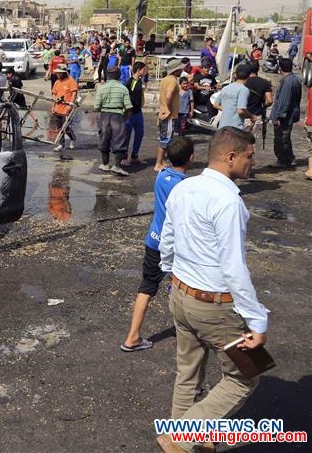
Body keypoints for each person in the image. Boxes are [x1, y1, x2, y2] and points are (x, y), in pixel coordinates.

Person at [156, 127, 268, 453]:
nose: (254, 163)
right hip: (215, 307)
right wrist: (257, 320)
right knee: (246, 375)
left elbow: (167, 240)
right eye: (250, 156)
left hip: (181, 294)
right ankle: (182, 438)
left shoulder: (184, 187)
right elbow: (234, 268)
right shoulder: (229, 202)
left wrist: (173, 276)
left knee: (188, 373)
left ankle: (183, 444)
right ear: (230, 157)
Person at [121, 136, 194, 352]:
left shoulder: (161, 175)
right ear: (191, 158)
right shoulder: (186, 186)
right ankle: (183, 326)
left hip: (154, 240)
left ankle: (132, 336)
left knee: (148, 287)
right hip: (176, 245)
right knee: (181, 286)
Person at [95, 66, 132, 175]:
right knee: (119, 140)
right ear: (119, 75)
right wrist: (125, 117)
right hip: (118, 116)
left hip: (104, 117)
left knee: (104, 140)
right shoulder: (123, 88)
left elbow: (97, 106)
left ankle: (105, 164)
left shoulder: (102, 88)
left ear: (107, 75)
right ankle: (117, 166)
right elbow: (129, 107)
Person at [268, 58, 302, 169]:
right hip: (291, 113)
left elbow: (284, 101)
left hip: (285, 116)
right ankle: (290, 158)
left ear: (281, 69)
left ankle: (283, 160)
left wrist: (278, 116)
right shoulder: (296, 80)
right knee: (286, 137)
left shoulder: (287, 82)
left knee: (281, 138)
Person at [155, 59, 183, 172]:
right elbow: (168, 96)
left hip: (164, 113)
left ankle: (161, 161)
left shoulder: (164, 79)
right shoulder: (172, 81)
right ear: (176, 70)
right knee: (166, 140)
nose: (182, 70)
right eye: (180, 68)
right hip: (169, 115)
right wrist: (169, 109)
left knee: (165, 138)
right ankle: (158, 164)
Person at [215, 65, 255, 130]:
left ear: (235, 75)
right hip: (234, 128)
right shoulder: (243, 90)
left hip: (222, 127)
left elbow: (216, 105)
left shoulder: (226, 88)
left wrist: (228, 109)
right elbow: (241, 111)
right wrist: (251, 116)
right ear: (249, 76)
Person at [122, 61, 147, 166]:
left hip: (138, 113)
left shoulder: (140, 81)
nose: (146, 72)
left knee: (140, 134)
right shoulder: (130, 82)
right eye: (144, 70)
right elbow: (125, 96)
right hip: (130, 113)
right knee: (126, 136)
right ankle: (123, 157)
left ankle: (134, 156)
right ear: (138, 70)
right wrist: (127, 110)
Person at [50, 64, 78, 152]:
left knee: (66, 127)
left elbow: (74, 93)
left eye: (60, 73)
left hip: (66, 108)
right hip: (57, 107)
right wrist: (53, 106)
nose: (58, 75)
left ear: (64, 73)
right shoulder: (57, 82)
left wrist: (70, 105)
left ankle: (72, 138)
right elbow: (54, 94)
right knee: (58, 127)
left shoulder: (71, 81)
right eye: (57, 73)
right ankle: (61, 144)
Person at [244, 62, 272, 135]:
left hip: (244, 115)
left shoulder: (243, 82)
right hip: (257, 116)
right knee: (253, 142)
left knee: (241, 141)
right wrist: (264, 105)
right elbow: (269, 101)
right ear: (258, 69)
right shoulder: (265, 83)